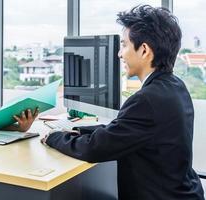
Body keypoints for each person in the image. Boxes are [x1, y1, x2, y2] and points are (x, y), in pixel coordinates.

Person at [41, 5, 204, 200]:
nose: (119, 54)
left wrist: (53, 138)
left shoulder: (147, 100)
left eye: (125, 45)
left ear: (144, 50)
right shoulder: (174, 86)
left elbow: (95, 149)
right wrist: (79, 131)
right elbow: (122, 130)